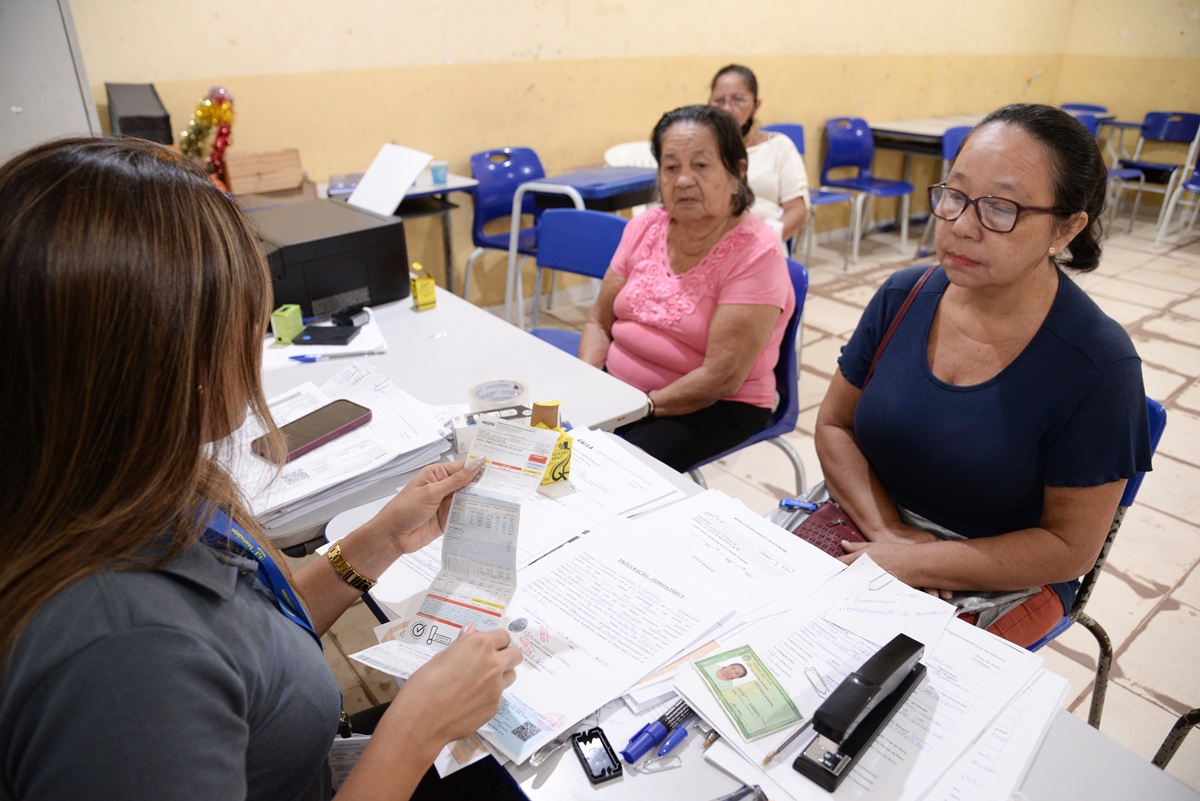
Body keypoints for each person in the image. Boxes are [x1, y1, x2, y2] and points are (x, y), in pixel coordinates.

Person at [0, 137, 524, 801]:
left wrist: (380, 540)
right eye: (249, 318)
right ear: (164, 358)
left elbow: (246, 640)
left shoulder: (126, 484)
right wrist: (417, 725)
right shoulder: (123, 656)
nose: (258, 339)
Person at [814, 103, 1153, 648]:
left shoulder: (1098, 365)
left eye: (1001, 208)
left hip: (998, 572)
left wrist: (926, 562)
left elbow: (1070, 547)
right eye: (954, 195)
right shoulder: (905, 295)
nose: (962, 227)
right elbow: (836, 427)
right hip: (873, 521)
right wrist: (891, 537)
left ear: (1065, 228)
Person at [579, 105, 795, 472]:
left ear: (737, 172)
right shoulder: (645, 227)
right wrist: (589, 389)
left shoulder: (757, 254)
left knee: (610, 471)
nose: (682, 181)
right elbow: (598, 321)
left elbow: (721, 377)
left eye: (701, 165)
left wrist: (638, 408)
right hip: (624, 395)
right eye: (671, 167)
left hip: (715, 405)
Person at [709, 64, 809, 245]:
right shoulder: (703, 151)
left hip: (764, 249)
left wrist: (763, 242)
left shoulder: (779, 147)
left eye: (737, 99)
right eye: (718, 100)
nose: (727, 109)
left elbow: (798, 211)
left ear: (756, 105)